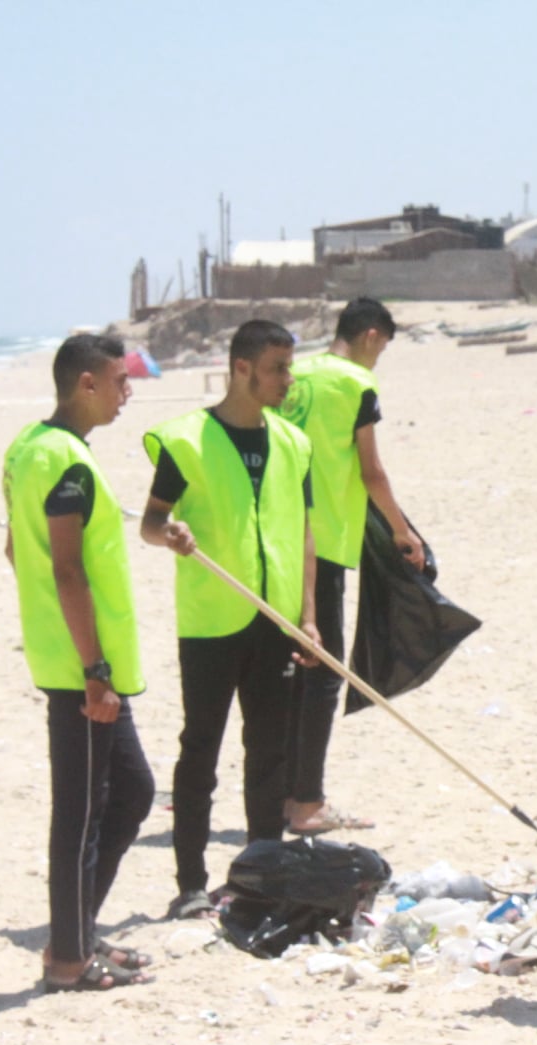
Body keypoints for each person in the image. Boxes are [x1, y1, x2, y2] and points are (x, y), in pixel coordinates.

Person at [139, 320, 318, 919]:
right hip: (212, 621)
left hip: (275, 617)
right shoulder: (187, 439)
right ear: (241, 368)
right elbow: (150, 521)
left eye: (290, 368)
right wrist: (172, 534)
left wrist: (310, 619)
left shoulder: (293, 442)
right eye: (278, 369)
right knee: (202, 750)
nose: (287, 381)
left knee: (268, 753)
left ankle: (261, 874)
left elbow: (306, 531)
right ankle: (191, 883)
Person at [1, 334, 156, 990]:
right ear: (85, 384)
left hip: (77, 657)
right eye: (120, 381)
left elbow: (16, 549)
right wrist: (93, 669)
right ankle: (67, 960)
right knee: (82, 814)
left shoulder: (28, 448)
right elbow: (64, 569)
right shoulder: (65, 462)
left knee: (134, 792)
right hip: (81, 669)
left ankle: (79, 936)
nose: (129, 392)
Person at [279, 297, 424, 835]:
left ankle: (281, 794)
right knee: (321, 675)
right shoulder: (355, 384)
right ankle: (308, 802)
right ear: (368, 335)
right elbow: (371, 471)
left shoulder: (294, 374)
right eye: (381, 348)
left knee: (289, 671)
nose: (377, 359)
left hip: (279, 538)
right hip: (329, 542)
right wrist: (402, 532)